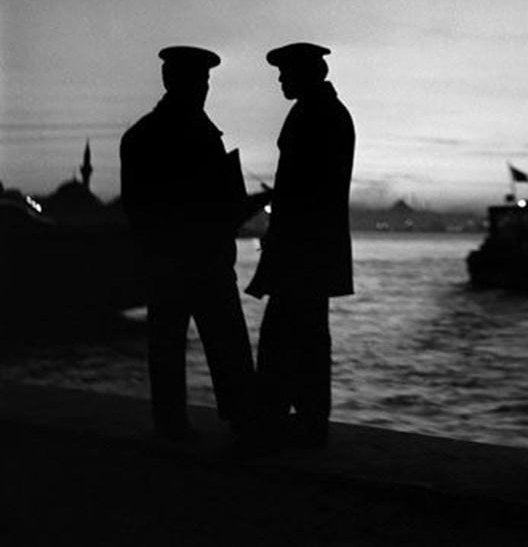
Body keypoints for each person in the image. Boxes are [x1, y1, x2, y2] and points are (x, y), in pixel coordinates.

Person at [120, 46, 270, 444]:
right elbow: (215, 205)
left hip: (164, 259)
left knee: (166, 344)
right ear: (179, 83)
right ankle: (244, 420)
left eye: (205, 82)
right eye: (199, 82)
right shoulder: (199, 135)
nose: (204, 89)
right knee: (228, 343)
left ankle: (170, 422)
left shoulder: (139, 135)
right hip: (203, 257)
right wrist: (252, 204)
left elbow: (137, 208)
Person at [246, 42, 355, 448]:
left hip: (302, 249)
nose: (279, 79)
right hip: (311, 247)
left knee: (286, 334)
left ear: (304, 74)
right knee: (306, 333)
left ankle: (284, 418)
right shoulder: (327, 113)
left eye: (285, 73)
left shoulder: (314, 114)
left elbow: (304, 189)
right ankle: (306, 417)